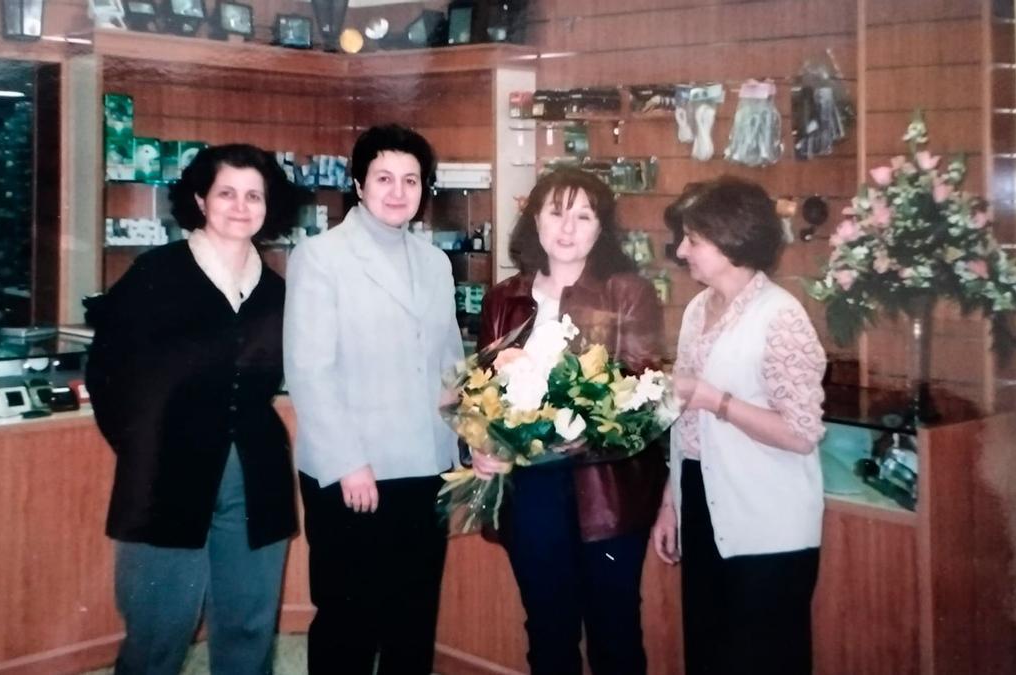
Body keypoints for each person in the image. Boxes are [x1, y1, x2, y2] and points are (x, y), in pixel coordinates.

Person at [86, 143, 303, 675]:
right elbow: (106, 375)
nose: (240, 205)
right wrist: (144, 447)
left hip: (255, 476)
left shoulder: (277, 291)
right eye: (227, 192)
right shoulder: (154, 274)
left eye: (254, 195)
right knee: (159, 630)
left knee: (248, 627)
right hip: (164, 478)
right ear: (201, 200)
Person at [472, 168, 667, 675]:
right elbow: (481, 393)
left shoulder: (628, 293)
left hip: (606, 489)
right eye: (556, 212)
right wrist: (481, 442)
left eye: (584, 215)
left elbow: (640, 399)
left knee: (615, 632)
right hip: (530, 489)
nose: (567, 227)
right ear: (534, 218)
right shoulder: (503, 297)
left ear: (601, 229)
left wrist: (562, 422)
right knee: (547, 630)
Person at [283, 124, 463, 675]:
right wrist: (348, 464)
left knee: (413, 619)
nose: (397, 190)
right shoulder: (320, 257)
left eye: (411, 180)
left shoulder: (434, 263)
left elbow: (451, 364)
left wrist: (467, 441)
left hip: (425, 467)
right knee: (349, 619)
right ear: (358, 183)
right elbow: (309, 370)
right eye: (383, 177)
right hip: (353, 473)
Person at [650, 176, 827, 675]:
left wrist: (716, 400)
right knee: (708, 651)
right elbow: (684, 425)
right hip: (701, 500)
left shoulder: (781, 317)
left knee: (761, 655)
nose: (682, 251)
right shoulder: (695, 310)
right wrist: (670, 503)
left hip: (766, 521)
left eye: (694, 240)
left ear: (732, 242)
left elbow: (800, 433)